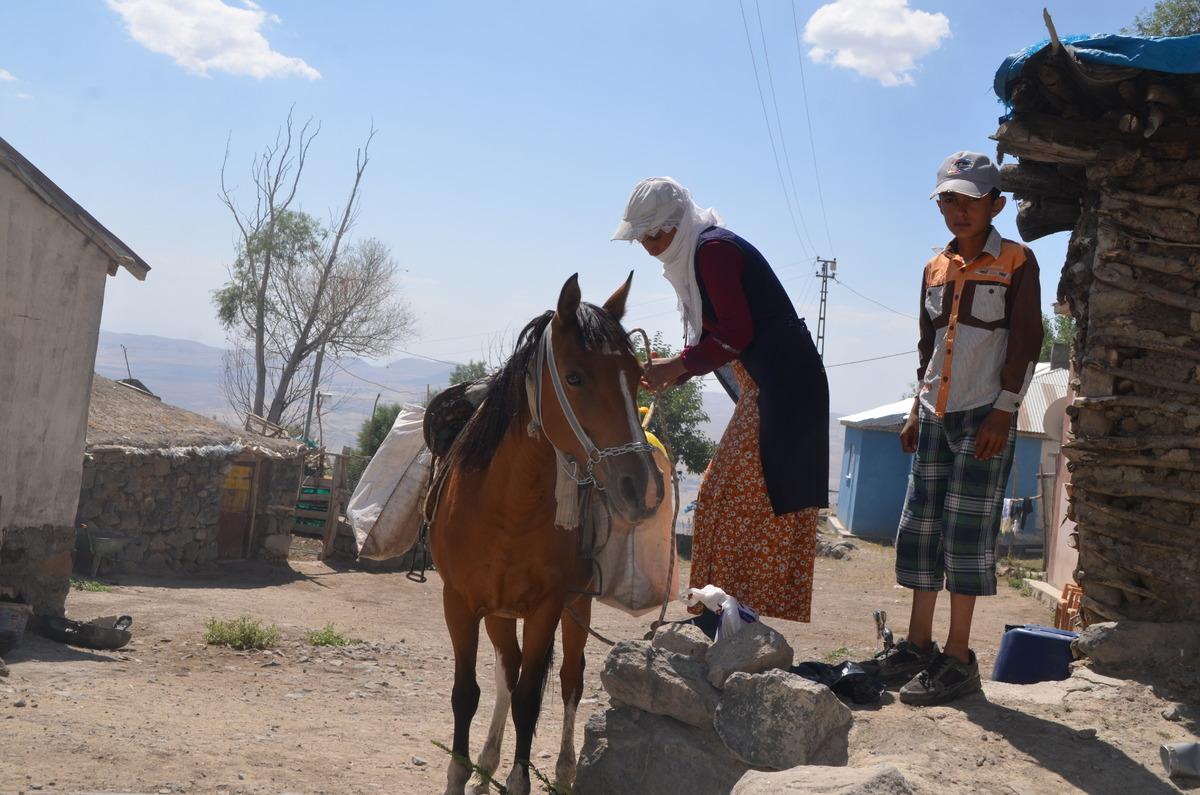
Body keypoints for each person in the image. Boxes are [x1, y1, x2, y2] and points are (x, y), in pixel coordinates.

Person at [611, 177, 829, 627]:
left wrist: (678, 366)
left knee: (732, 499)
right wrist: (681, 369)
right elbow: (721, 338)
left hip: (783, 387)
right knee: (721, 498)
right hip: (766, 386)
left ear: (678, 223)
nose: (650, 246)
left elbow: (734, 333)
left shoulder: (713, 252)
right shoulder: (699, 255)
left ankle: (727, 616)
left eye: (655, 234)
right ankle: (719, 612)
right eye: (643, 238)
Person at [871, 152, 1043, 706]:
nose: (958, 210)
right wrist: (916, 408)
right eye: (948, 199)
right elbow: (928, 346)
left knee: (966, 533)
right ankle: (917, 644)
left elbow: (1024, 342)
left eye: (969, 200)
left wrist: (1004, 409)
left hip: (985, 413)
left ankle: (958, 656)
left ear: (996, 204)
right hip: (936, 412)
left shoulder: (1018, 261)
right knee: (920, 527)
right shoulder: (935, 267)